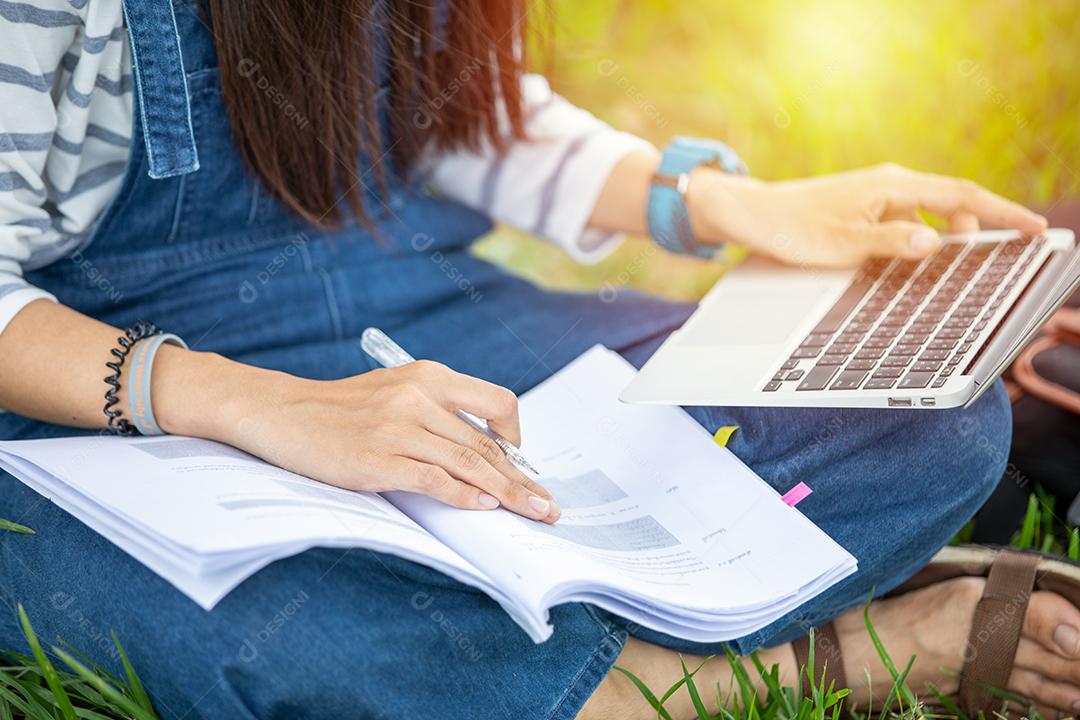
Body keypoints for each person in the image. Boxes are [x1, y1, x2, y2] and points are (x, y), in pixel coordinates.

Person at [1, 1, 1077, 718]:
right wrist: (265, 409)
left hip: (408, 306)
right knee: (304, 640)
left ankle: (524, 646)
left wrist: (718, 202)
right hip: (102, 385)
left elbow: (467, 111)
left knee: (926, 424)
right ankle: (800, 659)